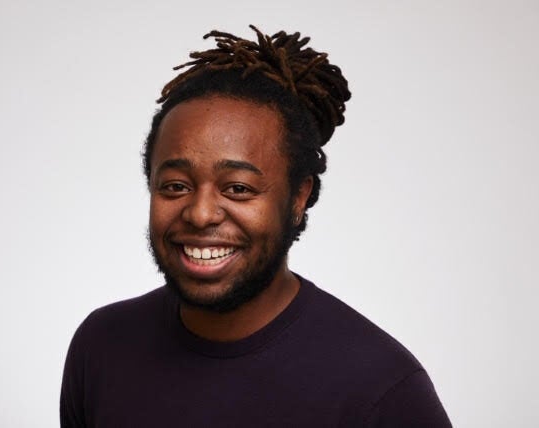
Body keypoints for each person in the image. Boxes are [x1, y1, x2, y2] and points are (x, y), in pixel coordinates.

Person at [60, 26, 451, 427]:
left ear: (297, 198)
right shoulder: (102, 348)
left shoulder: (382, 391)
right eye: (175, 186)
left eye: (238, 188)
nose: (200, 213)